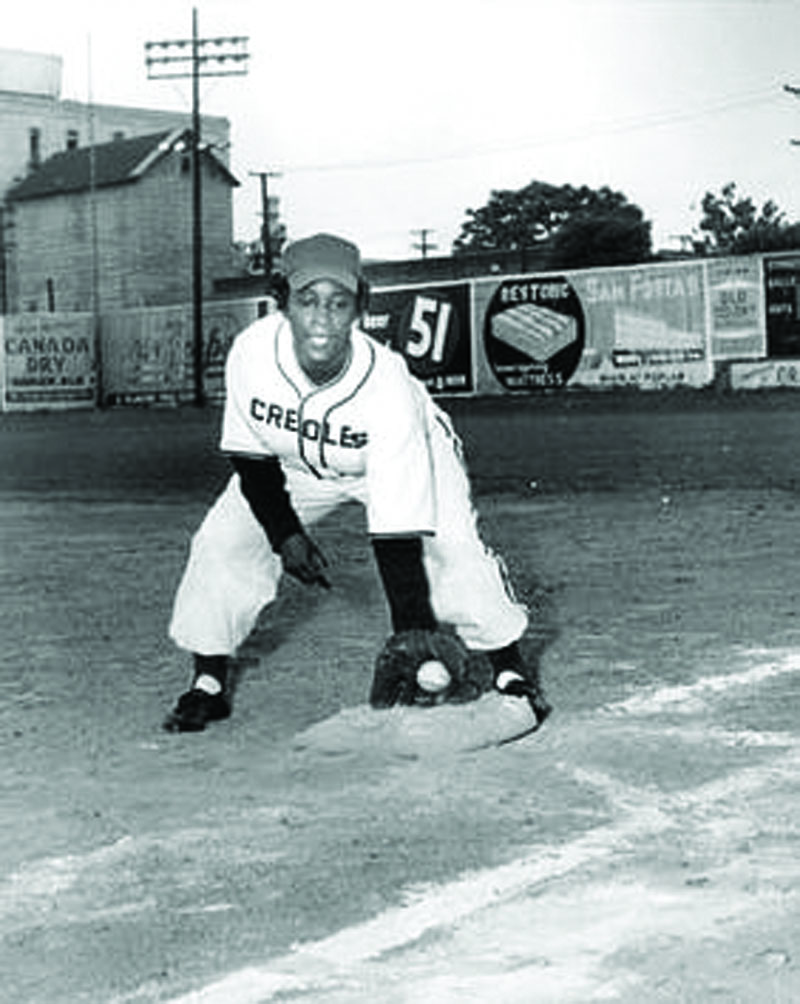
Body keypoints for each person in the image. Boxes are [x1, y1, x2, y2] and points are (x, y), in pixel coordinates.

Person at [164, 233, 551, 732]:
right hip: (293, 468)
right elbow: (251, 457)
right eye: (306, 300)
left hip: (407, 458)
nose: (322, 317)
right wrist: (286, 535)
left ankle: (511, 672)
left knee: (453, 548)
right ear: (281, 300)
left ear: (359, 308)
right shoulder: (252, 355)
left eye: (338, 302)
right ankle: (208, 683)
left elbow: (397, 524)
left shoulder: (385, 384)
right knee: (221, 543)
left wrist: (410, 633)